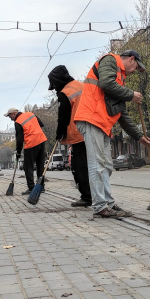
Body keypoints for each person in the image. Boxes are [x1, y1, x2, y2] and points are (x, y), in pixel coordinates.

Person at [73, 50, 150, 218]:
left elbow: (122, 114)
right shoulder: (110, 61)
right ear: (132, 59)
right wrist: (131, 95)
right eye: (136, 68)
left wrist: (139, 137)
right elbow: (105, 84)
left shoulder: (119, 81)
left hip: (101, 124)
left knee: (107, 166)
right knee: (97, 164)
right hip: (91, 118)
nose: (133, 72)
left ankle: (108, 203)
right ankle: (100, 206)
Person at [48, 65, 91, 208]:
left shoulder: (65, 93)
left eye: (54, 84)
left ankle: (87, 197)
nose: (54, 88)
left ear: (58, 80)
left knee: (79, 168)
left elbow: (63, 118)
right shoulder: (82, 86)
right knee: (92, 166)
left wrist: (59, 135)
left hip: (78, 134)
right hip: (92, 130)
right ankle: (96, 194)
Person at [4, 107, 47, 195]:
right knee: (40, 165)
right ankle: (41, 186)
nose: (10, 118)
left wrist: (18, 152)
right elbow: (41, 124)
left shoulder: (18, 122)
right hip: (41, 140)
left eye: (10, 116)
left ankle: (31, 187)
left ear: (14, 114)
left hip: (31, 143)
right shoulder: (31, 114)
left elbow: (19, 139)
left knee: (28, 167)